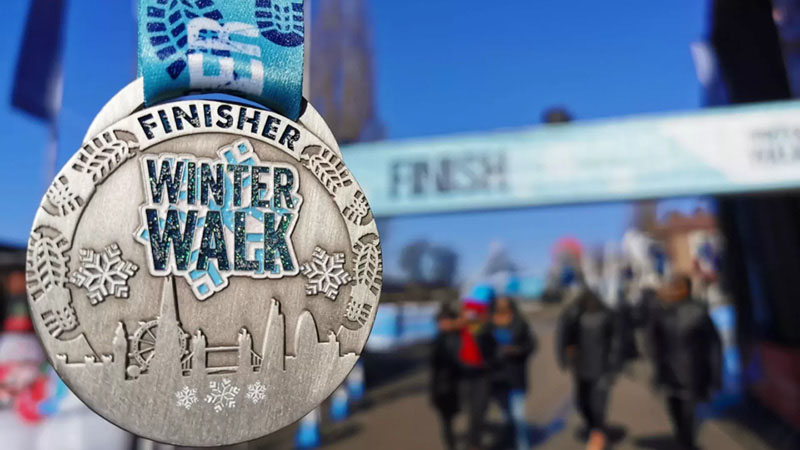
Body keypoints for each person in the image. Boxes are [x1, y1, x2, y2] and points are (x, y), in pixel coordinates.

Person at [648, 274, 722, 450]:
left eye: (674, 286)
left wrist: (715, 374)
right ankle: (685, 443)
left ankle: (685, 443)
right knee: (683, 418)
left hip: (683, 375)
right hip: (685, 374)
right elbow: (714, 346)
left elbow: (712, 346)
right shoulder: (669, 312)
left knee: (684, 419)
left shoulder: (682, 312)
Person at [556, 288, 621, 450]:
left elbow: (616, 341)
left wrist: (613, 365)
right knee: (582, 402)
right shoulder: (576, 315)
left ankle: (597, 434)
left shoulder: (607, 315)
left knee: (598, 404)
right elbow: (564, 336)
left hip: (602, 368)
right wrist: (564, 358)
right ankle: (594, 428)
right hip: (581, 367)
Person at [490, 292, 536, 450]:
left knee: (518, 417)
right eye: (498, 304)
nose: (501, 306)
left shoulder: (520, 322)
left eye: (504, 303)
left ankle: (523, 446)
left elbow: (532, 345)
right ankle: (509, 444)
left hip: (516, 375)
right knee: (506, 417)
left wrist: (516, 350)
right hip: (497, 378)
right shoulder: (490, 324)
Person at [458, 284, 497, 450]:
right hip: (480, 367)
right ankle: (474, 442)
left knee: (474, 408)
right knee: (478, 409)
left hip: (467, 366)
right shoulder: (483, 314)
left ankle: (473, 441)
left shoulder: (465, 309)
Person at [430, 304, 462, 450]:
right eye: (441, 321)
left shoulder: (461, 337)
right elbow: (434, 370)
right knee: (447, 423)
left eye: (447, 320)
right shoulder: (437, 340)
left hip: (461, 387)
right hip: (443, 389)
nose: (444, 324)